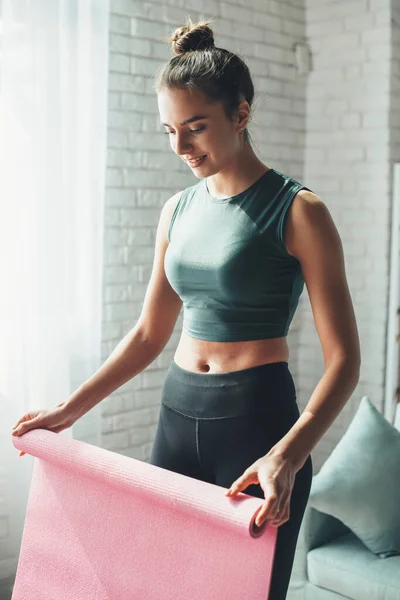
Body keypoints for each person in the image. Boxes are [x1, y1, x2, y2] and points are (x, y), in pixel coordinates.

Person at [11, 16, 361, 600]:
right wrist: (67, 410)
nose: (181, 147)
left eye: (196, 127)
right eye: (169, 131)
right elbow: (150, 333)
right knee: (165, 584)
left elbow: (344, 361)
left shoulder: (300, 211)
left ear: (241, 113)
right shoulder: (176, 210)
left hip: (256, 422)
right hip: (178, 415)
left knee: (245, 590)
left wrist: (289, 453)